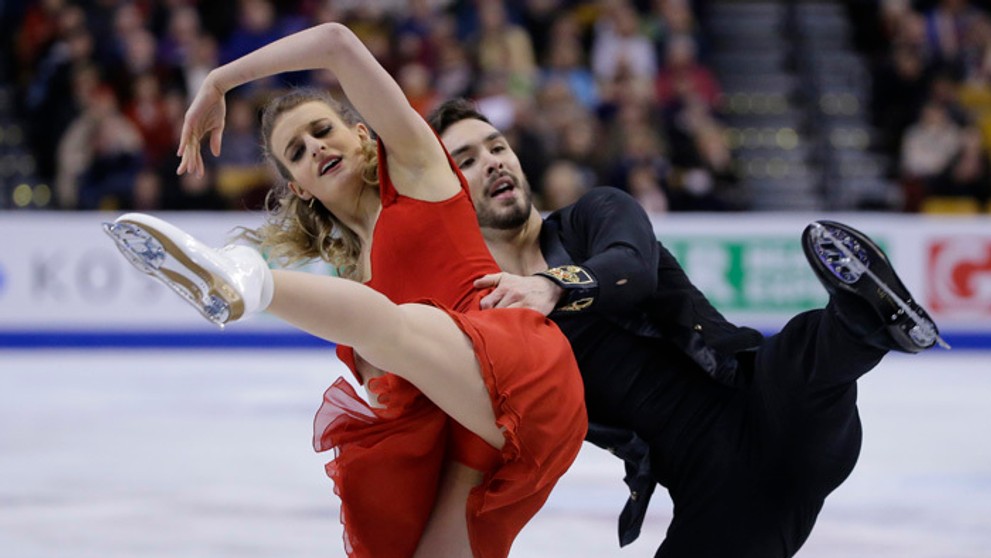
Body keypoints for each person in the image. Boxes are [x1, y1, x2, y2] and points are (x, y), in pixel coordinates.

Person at [103, 23, 587, 558]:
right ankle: (246, 279)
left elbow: (334, 41)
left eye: (322, 130)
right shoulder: (354, 279)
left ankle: (246, 276)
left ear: (360, 134)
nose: (315, 147)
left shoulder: (417, 169)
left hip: (523, 368)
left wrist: (219, 79)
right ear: (298, 187)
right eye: (297, 150)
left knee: (386, 327)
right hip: (475, 439)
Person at [426, 98, 948, 558]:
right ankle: (862, 322)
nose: (492, 161)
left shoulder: (593, 214)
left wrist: (555, 285)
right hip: (716, 494)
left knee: (800, 354)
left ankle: (867, 318)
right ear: (445, 190)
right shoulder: (488, 310)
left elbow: (632, 264)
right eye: (466, 160)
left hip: (761, 403)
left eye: (496, 146)